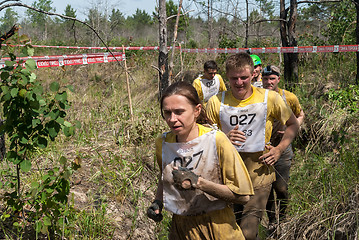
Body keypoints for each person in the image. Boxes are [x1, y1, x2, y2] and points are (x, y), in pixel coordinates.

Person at [205, 53, 299, 240]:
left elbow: (293, 124)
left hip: (259, 175)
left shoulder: (270, 98)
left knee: (247, 232)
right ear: (227, 77)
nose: (239, 83)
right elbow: (205, 137)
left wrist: (279, 149)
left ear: (253, 75)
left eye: (244, 78)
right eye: (234, 78)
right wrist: (223, 138)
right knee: (230, 231)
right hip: (228, 179)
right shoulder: (216, 101)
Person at [147, 81, 254, 240]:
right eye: (167, 113)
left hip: (218, 227)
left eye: (179, 112)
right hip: (182, 229)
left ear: (197, 110)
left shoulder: (216, 140)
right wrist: (157, 202)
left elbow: (243, 196)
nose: (172, 119)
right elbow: (164, 177)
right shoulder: (163, 143)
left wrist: (199, 182)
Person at [261, 65, 305, 227]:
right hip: (263, 150)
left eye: (272, 78)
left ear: (279, 79)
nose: (268, 82)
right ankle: (272, 221)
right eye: (265, 79)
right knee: (266, 190)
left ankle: (284, 218)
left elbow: (300, 115)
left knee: (281, 188)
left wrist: (290, 128)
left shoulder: (289, 97)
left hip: (283, 149)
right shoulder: (257, 96)